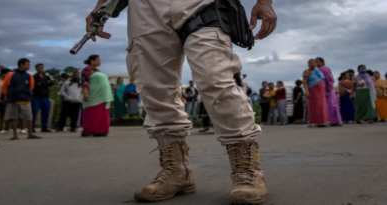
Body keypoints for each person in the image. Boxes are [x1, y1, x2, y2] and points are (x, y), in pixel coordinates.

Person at [86, 0, 277, 203]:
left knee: (215, 77)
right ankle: (177, 171)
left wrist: (264, 2)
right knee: (153, 87)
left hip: (201, 3)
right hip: (145, 7)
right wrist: (100, 7)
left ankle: (247, 168)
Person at [2, 58, 41, 140]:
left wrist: (28, 95)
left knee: (28, 117)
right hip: (13, 99)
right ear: (21, 64)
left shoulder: (29, 75)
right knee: (13, 117)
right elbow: (5, 86)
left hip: (25, 99)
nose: (29, 66)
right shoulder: (11, 75)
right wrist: (6, 95)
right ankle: (15, 135)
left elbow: (31, 86)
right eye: (27, 64)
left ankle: (30, 134)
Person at [81, 55, 113, 137]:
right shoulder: (86, 70)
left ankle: (101, 130)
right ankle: (89, 130)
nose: (99, 62)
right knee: (93, 114)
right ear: (92, 61)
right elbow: (84, 82)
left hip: (103, 96)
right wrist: (85, 93)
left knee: (102, 114)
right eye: (98, 60)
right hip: (93, 96)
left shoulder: (96, 70)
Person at [316, 57, 342, 126]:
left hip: (326, 90)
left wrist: (326, 88)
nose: (316, 63)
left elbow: (327, 79)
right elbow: (331, 79)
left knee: (328, 106)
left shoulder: (322, 69)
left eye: (317, 61)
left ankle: (329, 120)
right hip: (330, 89)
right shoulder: (325, 68)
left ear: (322, 62)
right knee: (333, 105)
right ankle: (336, 121)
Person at [303, 59, 329, 128]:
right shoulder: (307, 72)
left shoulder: (318, 71)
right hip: (312, 90)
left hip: (320, 91)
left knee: (321, 106)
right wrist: (307, 91)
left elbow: (322, 78)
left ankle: (322, 121)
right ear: (308, 64)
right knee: (314, 106)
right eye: (310, 63)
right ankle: (314, 122)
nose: (313, 64)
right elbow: (305, 82)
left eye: (314, 62)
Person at [32, 63, 54, 132]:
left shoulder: (46, 76)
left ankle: (44, 127)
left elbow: (51, 83)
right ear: (37, 68)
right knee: (34, 112)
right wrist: (45, 83)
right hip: (36, 96)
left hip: (45, 96)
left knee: (46, 112)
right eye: (40, 67)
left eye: (42, 67)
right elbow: (36, 85)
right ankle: (32, 127)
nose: (41, 69)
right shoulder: (34, 77)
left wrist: (42, 83)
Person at [0, 68, 11, 134]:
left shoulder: (8, 82)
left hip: (5, 99)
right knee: (1, 115)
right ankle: (0, 128)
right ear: (3, 74)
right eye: (7, 74)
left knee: (6, 114)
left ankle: (6, 128)